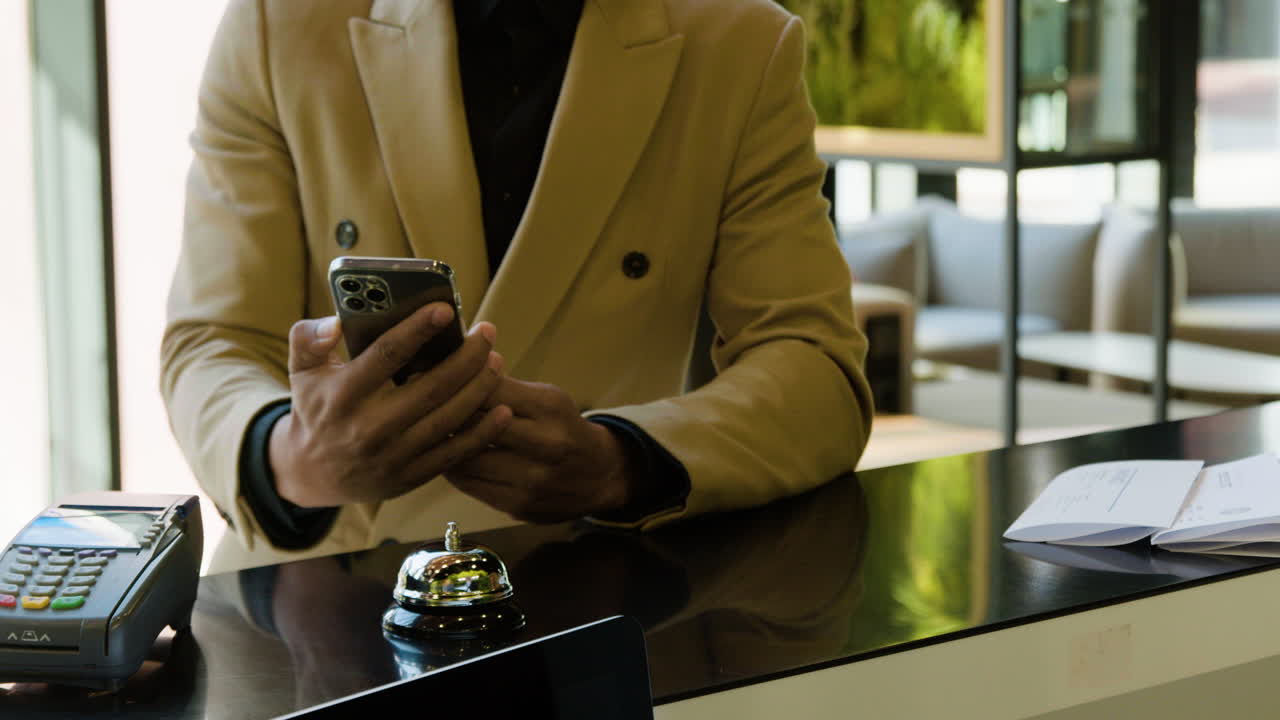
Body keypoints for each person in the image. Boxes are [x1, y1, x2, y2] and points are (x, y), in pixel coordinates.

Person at [162, 0, 875, 573]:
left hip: (583, 592)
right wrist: (292, 458)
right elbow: (212, 342)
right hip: (316, 601)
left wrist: (620, 461)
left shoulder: (740, 43)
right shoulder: (277, 24)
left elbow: (817, 372)